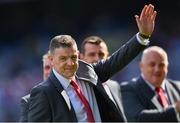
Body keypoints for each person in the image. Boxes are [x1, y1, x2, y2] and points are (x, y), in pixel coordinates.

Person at [28, 4, 157, 122]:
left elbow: (118, 59)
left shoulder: (87, 70)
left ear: (78, 55)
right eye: (63, 59)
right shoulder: (43, 93)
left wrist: (143, 36)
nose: (70, 63)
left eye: (73, 57)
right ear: (51, 60)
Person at [120, 46, 180, 122]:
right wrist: (175, 109)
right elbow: (139, 118)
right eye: (152, 64)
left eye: (161, 65)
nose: (157, 69)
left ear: (167, 67)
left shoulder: (177, 87)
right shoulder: (128, 89)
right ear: (141, 66)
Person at [80, 35, 127, 120]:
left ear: (108, 56)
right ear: (81, 58)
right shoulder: (81, 87)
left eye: (101, 54)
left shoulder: (114, 86)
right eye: (92, 54)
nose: (97, 58)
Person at [19, 51, 52, 122]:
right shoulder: (28, 101)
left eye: (54, 68)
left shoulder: (73, 95)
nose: (50, 72)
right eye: (47, 67)